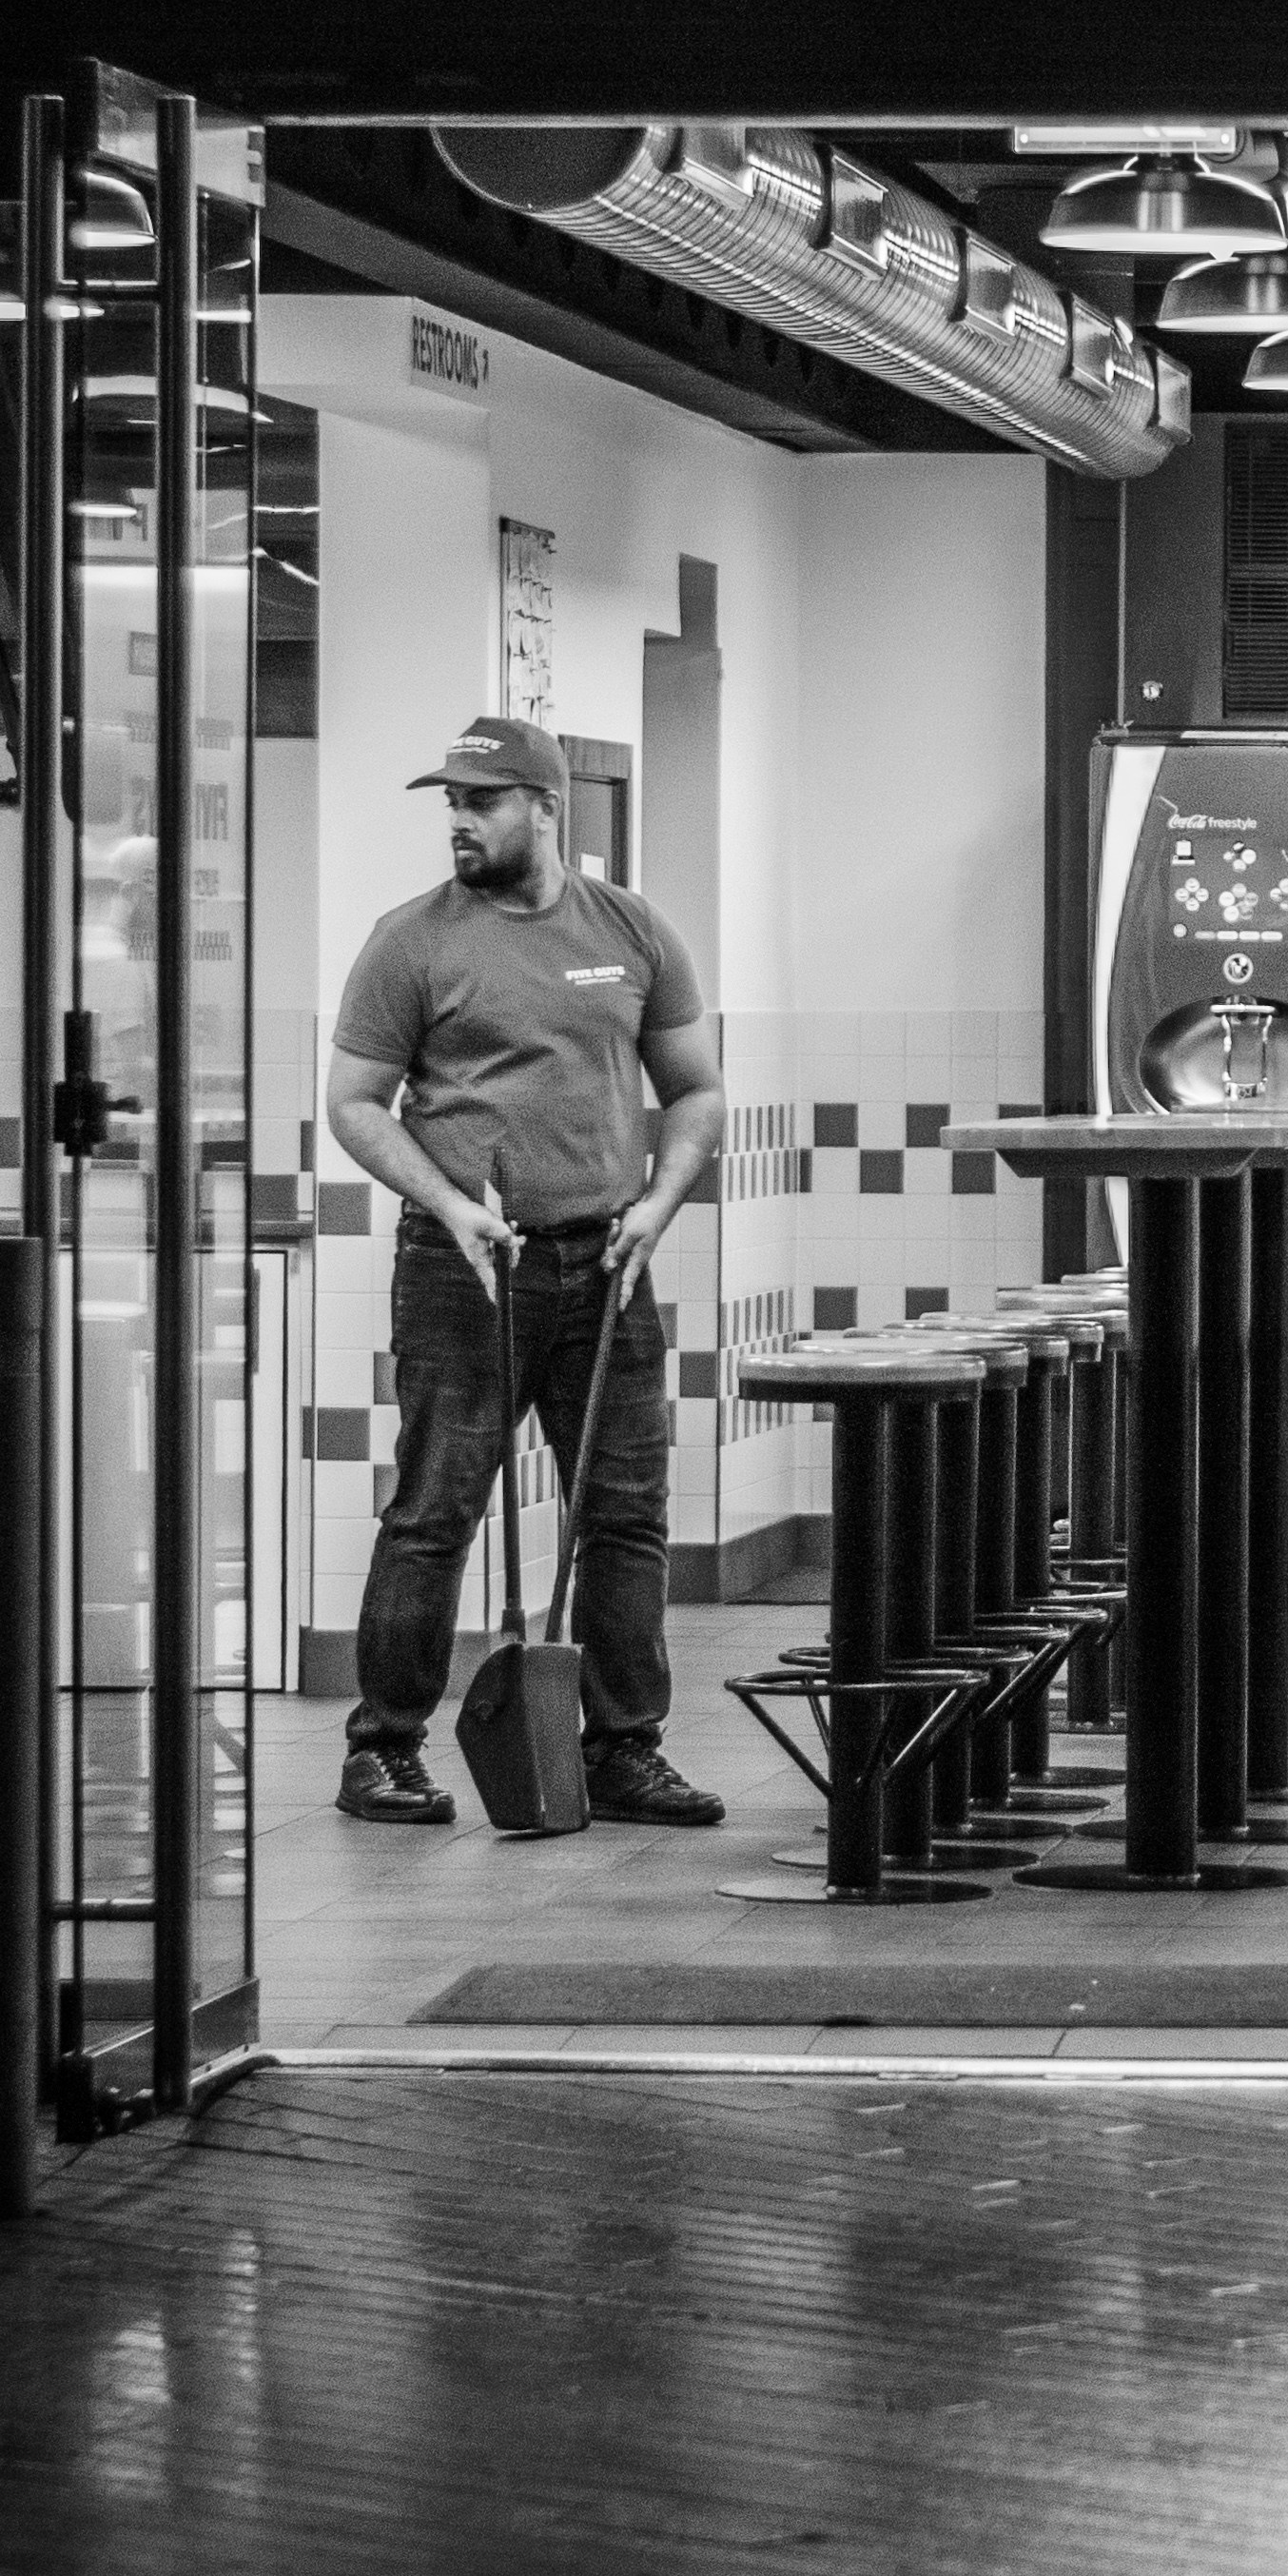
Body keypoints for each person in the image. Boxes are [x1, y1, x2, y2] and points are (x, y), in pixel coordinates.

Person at [325, 717, 728, 1828]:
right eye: (450, 801)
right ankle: (382, 1749)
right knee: (434, 1509)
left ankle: (623, 1750)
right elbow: (353, 1104)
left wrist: (656, 1203)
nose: (458, 820)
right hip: (464, 1267)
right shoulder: (411, 942)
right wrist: (451, 1203)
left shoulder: (632, 929)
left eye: (481, 799)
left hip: (606, 1260)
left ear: (546, 806)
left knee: (625, 1516)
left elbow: (696, 1090)